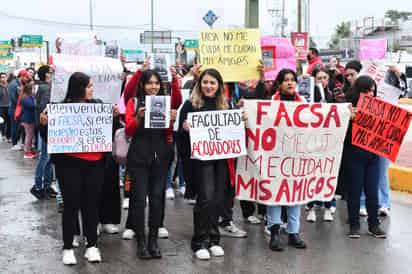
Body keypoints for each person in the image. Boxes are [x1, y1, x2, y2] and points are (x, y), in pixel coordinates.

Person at [40, 72, 112, 265]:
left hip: (95, 163)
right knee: (71, 205)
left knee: (91, 204)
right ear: (79, 88)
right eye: (89, 86)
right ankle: (68, 247)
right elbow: (51, 139)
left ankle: (92, 245)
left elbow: (106, 133)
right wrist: (44, 125)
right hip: (69, 164)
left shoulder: (98, 106)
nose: (92, 89)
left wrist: (113, 118)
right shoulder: (61, 108)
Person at [125, 65, 181, 259]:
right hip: (139, 156)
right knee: (139, 200)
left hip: (161, 156)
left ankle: (153, 240)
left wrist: (172, 120)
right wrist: (138, 118)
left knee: (157, 200)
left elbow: (177, 104)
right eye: (149, 83)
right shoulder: (133, 102)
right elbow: (129, 131)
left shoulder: (165, 102)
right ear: (143, 84)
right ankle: (141, 241)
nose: (153, 86)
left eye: (157, 83)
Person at [253, 69, 307, 252]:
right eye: (286, 80)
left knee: (294, 196)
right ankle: (274, 232)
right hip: (275, 157)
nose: (290, 83)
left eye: (293, 80)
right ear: (279, 84)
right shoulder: (270, 103)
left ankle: (294, 233)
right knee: (274, 195)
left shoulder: (304, 103)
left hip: (295, 156)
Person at [179, 68, 231, 260]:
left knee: (218, 199)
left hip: (220, 160)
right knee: (206, 199)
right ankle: (199, 241)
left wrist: (241, 120)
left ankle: (214, 239)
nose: (208, 86)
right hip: (201, 161)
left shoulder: (226, 106)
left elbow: (234, 132)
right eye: (205, 82)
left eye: (212, 83)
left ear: (219, 86)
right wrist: (185, 129)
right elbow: (180, 136)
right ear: (199, 84)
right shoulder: (190, 105)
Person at [344, 75, 386, 239]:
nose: (371, 93)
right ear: (359, 91)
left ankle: (373, 225)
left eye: (372, 90)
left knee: (372, 191)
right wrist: (349, 118)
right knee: (354, 191)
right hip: (354, 154)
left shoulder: (378, 106)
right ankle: (354, 225)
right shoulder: (348, 107)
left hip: (372, 156)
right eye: (367, 90)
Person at [305, 68, 337, 222]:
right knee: (311, 174)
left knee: (326, 173)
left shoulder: (332, 96)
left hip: (328, 141)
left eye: (325, 77)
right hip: (311, 140)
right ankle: (311, 207)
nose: (322, 81)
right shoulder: (308, 97)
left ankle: (327, 207)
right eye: (318, 78)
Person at [31, 65, 56, 200]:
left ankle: (46, 185)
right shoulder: (46, 88)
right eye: (51, 72)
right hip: (46, 127)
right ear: (46, 75)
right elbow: (44, 108)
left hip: (45, 127)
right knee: (45, 157)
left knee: (48, 158)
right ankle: (38, 186)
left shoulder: (43, 87)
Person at [8, 70, 31, 150]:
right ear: (22, 76)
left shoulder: (21, 84)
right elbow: (13, 98)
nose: (27, 79)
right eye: (26, 77)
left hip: (20, 108)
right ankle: (14, 144)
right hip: (14, 109)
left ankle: (18, 142)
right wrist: (23, 102)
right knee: (14, 126)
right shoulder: (13, 84)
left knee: (19, 127)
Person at [20, 80, 36, 159]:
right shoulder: (26, 98)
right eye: (33, 89)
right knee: (29, 136)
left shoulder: (29, 96)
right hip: (27, 119)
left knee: (30, 135)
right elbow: (32, 106)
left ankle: (28, 149)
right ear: (29, 90)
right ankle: (27, 152)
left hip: (29, 118)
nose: (34, 90)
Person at [0, 72, 10, 141]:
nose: (3, 78)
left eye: (4, 77)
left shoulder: (9, 86)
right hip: (1, 106)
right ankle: (3, 134)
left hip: (9, 106)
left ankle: (8, 136)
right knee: (2, 122)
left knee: (9, 122)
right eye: (2, 77)